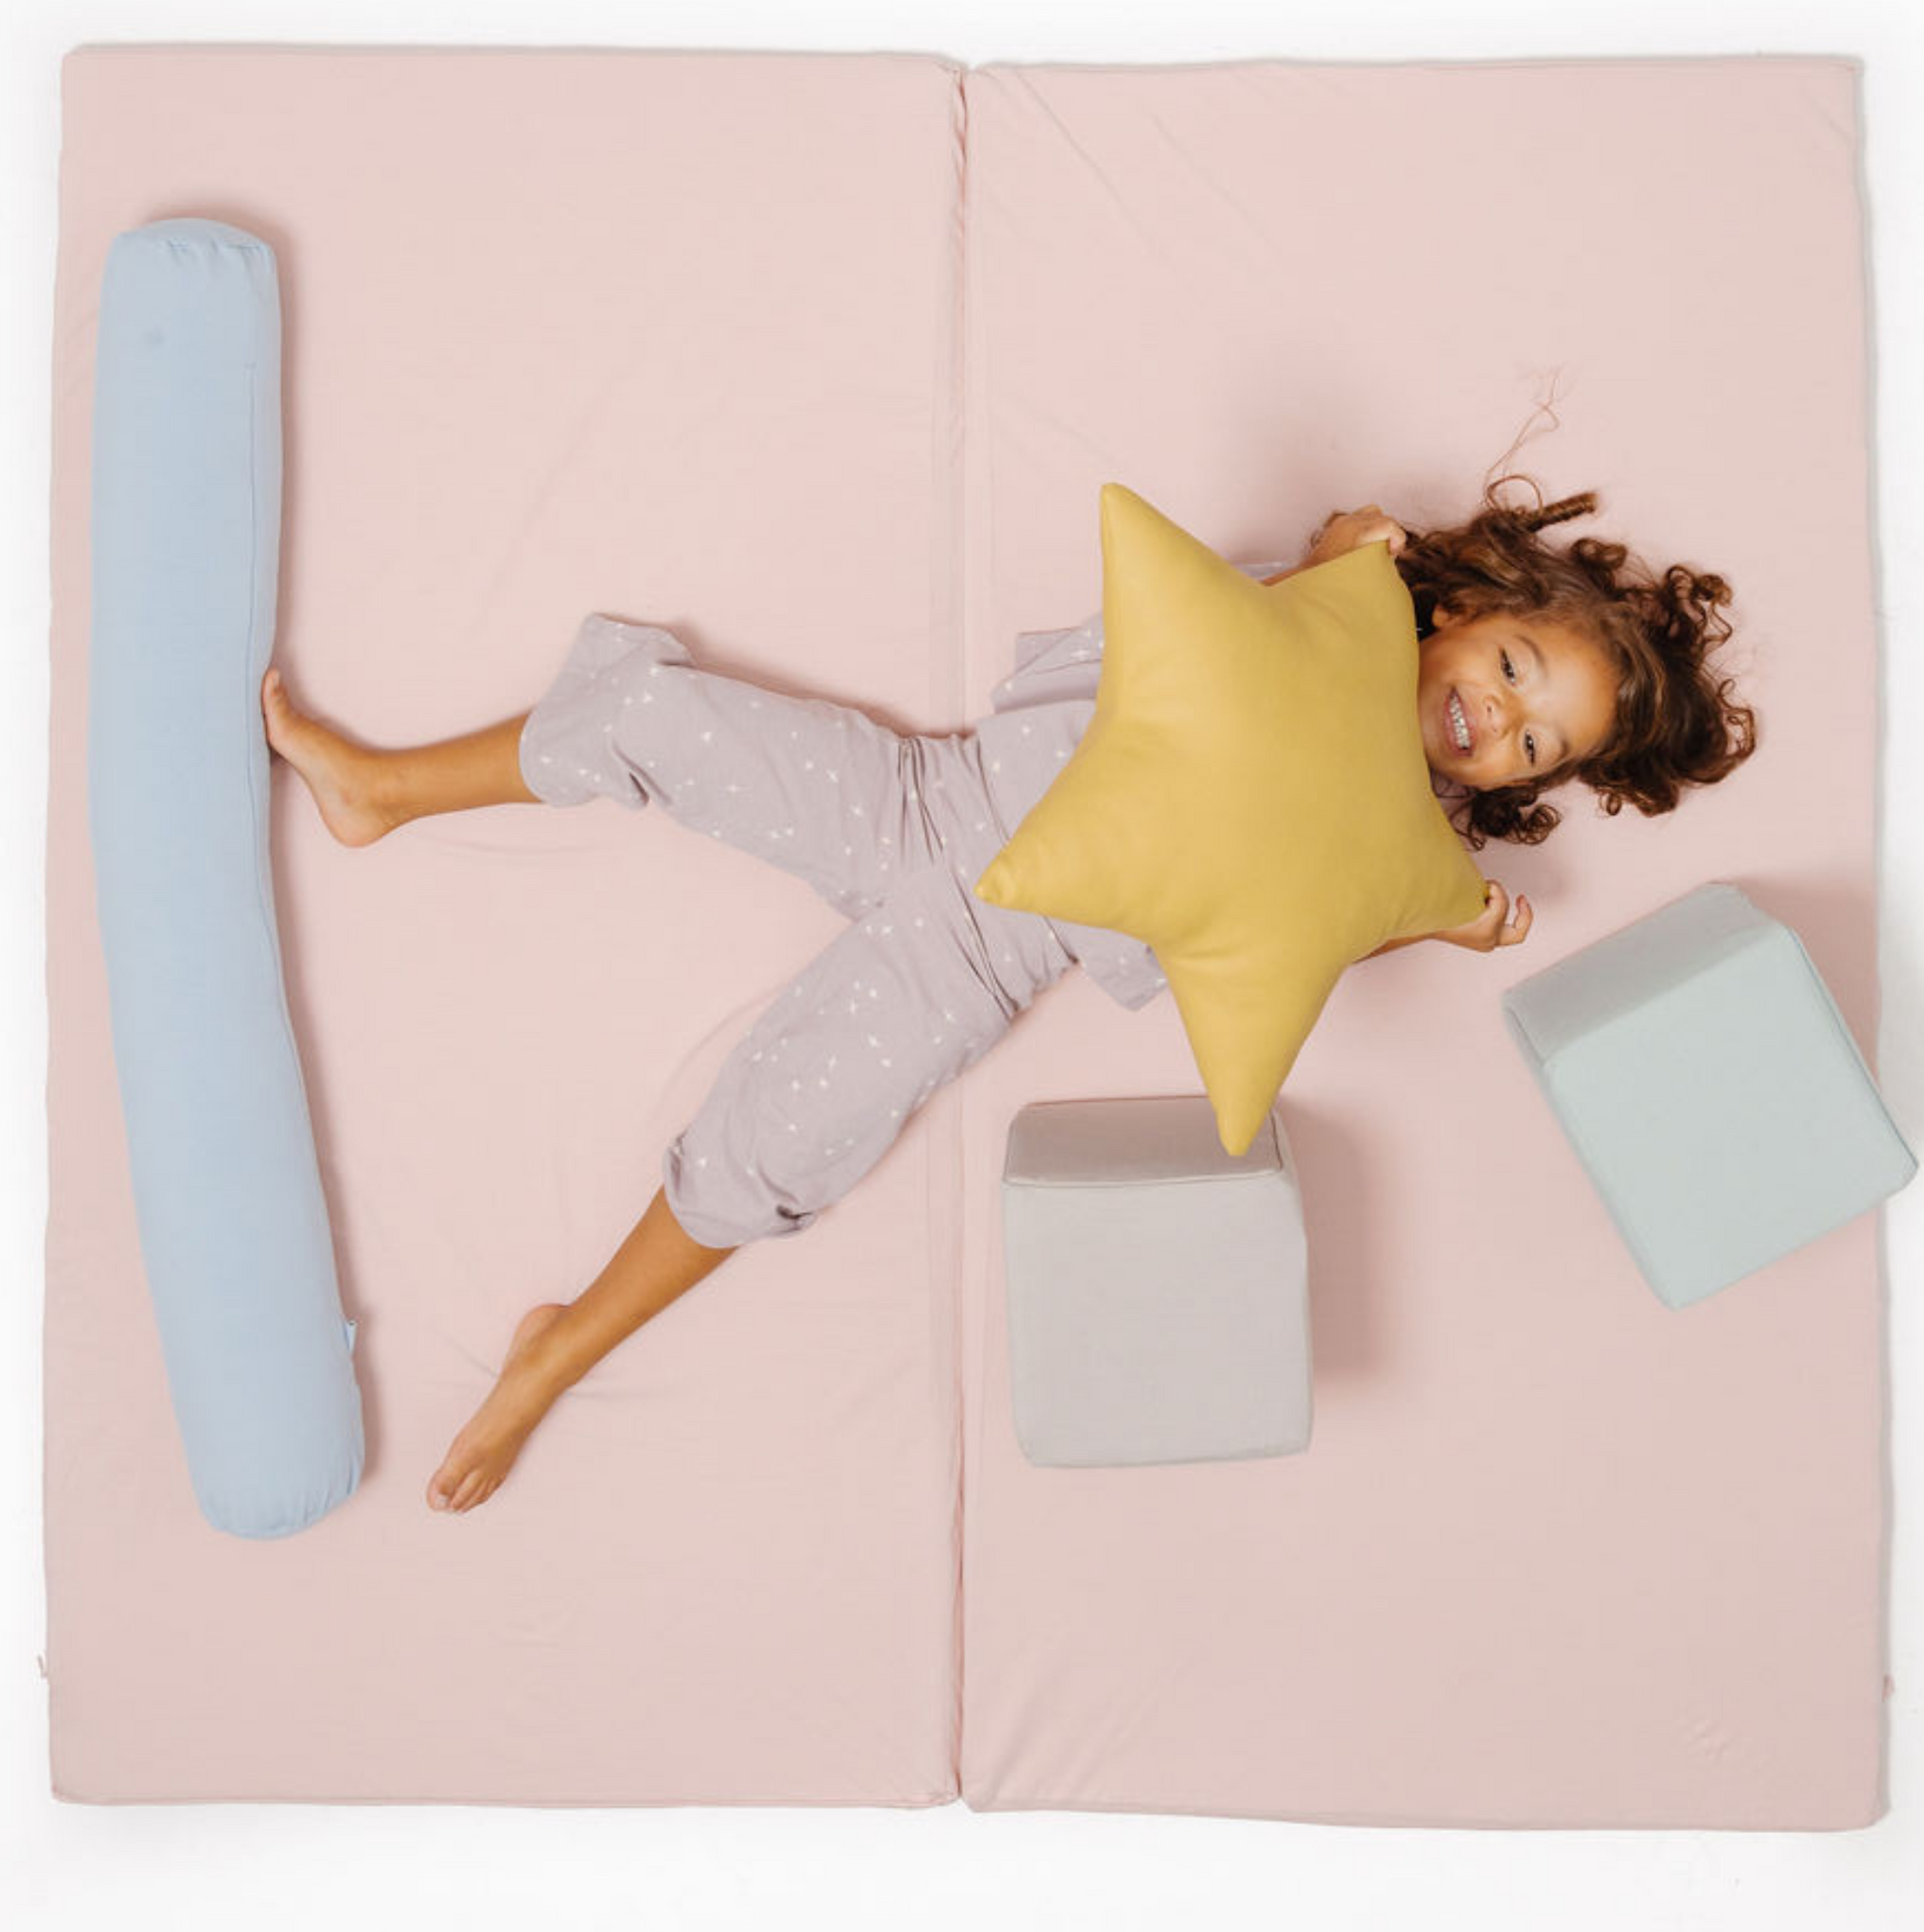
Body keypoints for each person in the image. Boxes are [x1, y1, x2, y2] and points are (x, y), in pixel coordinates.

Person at [259, 474, 1756, 1515]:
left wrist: (1434, 924)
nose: (1497, 719)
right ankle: (389, 788)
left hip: (980, 959)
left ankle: (561, 1346)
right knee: (658, 716)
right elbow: (1243, 596)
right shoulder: (1318, 617)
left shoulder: (1403, 844)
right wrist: (1335, 557)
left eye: (1536, 745)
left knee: (780, 1139)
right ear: (1467, 606)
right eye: (1513, 665)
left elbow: (1281, 952)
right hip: (921, 800)